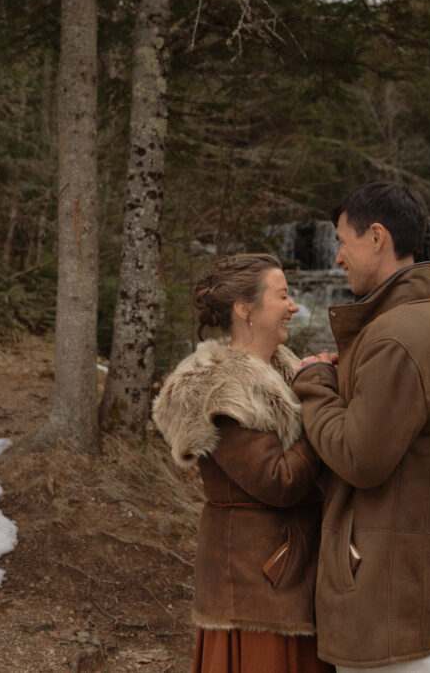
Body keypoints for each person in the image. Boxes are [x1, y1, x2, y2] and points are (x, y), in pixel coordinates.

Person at [292, 181, 430, 672]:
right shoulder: (420, 320)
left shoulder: (398, 336)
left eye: (341, 242)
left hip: (383, 596)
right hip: (397, 591)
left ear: (376, 236)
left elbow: (359, 458)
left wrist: (312, 383)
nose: (336, 258)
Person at [152, 254, 333, 673]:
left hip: (295, 578)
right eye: (283, 295)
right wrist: (322, 408)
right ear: (245, 309)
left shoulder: (290, 372)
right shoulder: (218, 387)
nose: (293, 306)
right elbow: (280, 481)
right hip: (256, 589)